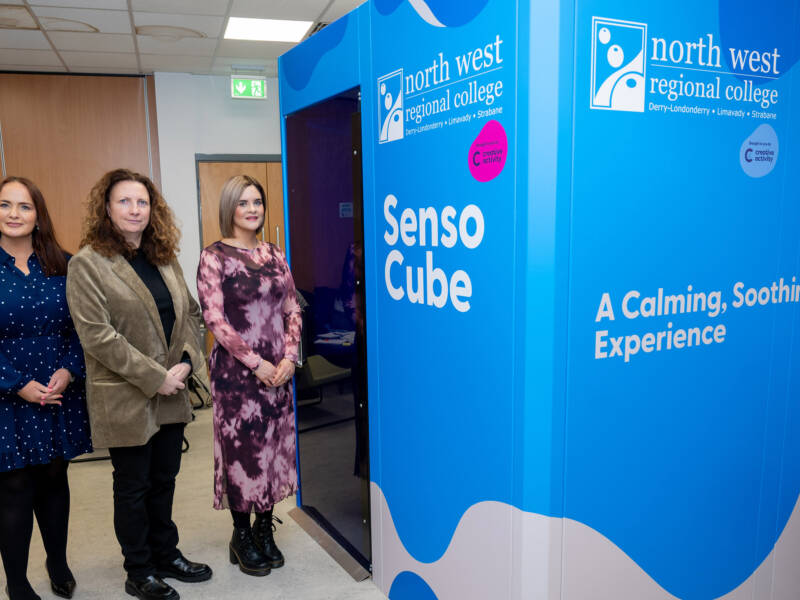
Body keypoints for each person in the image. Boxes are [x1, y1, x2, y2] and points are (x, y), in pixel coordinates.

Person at [65, 169, 211, 600]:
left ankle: (167, 554)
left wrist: (186, 363)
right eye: (125, 201)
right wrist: (155, 377)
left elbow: (191, 314)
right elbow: (97, 336)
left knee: (165, 477)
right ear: (106, 209)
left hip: (174, 388)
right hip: (126, 394)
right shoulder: (87, 263)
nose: (135, 209)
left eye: (142, 202)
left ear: (153, 210)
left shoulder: (163, 255)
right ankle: (139, 569)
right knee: (133, 485)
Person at [196, 175, 301, 577]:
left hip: (280, 370)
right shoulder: (214, 256)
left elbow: (292, 308)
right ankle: (240, 536)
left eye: (257, 201)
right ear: (230, 209)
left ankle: (264, 530)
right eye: (243, 203)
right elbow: (215, 320)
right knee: (244, 455)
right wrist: (256, 363)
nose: (252, 209)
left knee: (273, 451)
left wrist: (290, 357)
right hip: (239, 376)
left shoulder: (275, 254)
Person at [0, 176, 92, 600]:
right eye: (5, 205)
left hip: (58, 392)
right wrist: (18, 385)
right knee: (15, 487)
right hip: (8, 396)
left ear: (38, 216)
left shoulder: (64, 264)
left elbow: (83, 329)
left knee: (55, 478)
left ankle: (58, 562)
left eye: (24, 207)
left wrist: (71, 371)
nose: (14, 214)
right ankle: (16, 584)